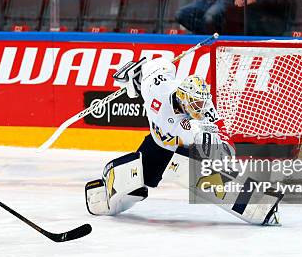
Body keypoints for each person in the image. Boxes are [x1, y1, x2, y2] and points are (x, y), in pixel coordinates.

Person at [84, 57, 283, 225]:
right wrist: (135, 76)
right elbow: (157, 67)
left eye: (202, 103)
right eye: (195, 104)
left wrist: (219, 144)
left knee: (207, 177)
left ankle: (256, 203)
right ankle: (105, 196)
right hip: (159, 145)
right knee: (135, 185)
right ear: (183, 99)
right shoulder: (158, 96)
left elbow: (226, 145)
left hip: (182, 149)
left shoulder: (203, 108)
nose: (200, 108)